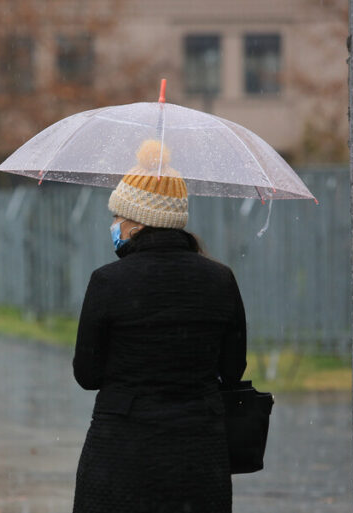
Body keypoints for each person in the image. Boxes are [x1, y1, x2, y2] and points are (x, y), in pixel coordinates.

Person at [71, 140, 247, 513]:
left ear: (137, 223)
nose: (114, 225)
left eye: (118, 216)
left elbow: (87, 374)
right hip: (199, 458)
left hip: (121, 455)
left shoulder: (108, 281)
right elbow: (233, 371)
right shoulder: (220, 279)